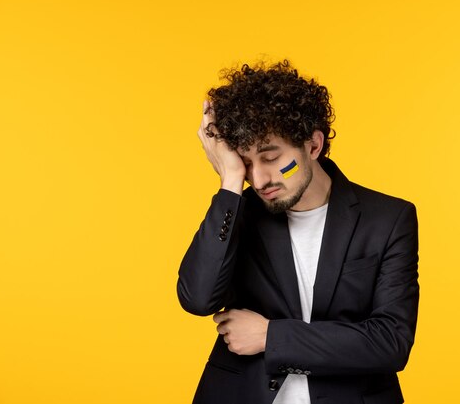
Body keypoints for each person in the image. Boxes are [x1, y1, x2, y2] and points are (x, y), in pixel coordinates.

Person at [177, 60, 419, 404]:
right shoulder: (238, 214)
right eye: (245, 162)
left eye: (271, 158)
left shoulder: (388, 219)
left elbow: (390, 343)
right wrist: (230, 183)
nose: (259, 180)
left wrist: (271, 336)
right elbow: (197, 299)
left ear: (313, 145)